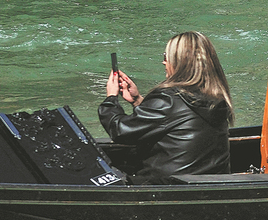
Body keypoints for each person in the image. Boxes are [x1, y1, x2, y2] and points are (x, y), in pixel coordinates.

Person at [98, 31, 233, 184]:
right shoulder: (218, 98)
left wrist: (110, 99)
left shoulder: (168, 98)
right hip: (205, 184)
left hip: (164, 186)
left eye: (166, 57)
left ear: (180, 62)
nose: (164, 62)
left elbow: (120, 130)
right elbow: (175, 120)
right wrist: (137, 100)